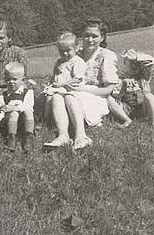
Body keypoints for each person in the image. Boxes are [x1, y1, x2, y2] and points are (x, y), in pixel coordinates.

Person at [44, 18, 119, 151]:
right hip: (70, 93)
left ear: (102, 38)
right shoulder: (74, 53)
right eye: (86, 36)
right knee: (56, 96)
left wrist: (82, 89)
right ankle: (63, 136)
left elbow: (108, 90)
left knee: (70, 96)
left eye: (94, 36)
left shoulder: (107, 56)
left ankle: (81, 136)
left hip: (96, 96)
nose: (89, 40)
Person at [108, 48, 154, 129]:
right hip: (127, 108)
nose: (133, 67)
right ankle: (127, 119)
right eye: (130, 64)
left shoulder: (143, 77)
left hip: (142, 107)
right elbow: (117, 94)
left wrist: (137, 57)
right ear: (124, 65)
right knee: (109, 99)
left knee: (149, 96)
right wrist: (122, 86)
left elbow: (151, 61)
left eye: (136, 64)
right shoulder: (120, 78)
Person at [0, 62, 35, 152]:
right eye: (8, 79)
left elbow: (28, 105)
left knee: (28, 111)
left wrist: (13, 107)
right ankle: (11, 137)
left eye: (15, 79)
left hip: (24, 120)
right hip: (9, 121)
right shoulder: (3, 96)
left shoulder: (28, 92)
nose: (11, 82)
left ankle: (29, 136)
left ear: (23, 80)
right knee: (14, 114)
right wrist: (0, 112)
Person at [42, 31, 86, 96]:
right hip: (60, 88)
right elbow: (55, 75)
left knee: (57, 97)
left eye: (68, 50)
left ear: (76, 48)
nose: (65, 53)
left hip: (72, 89)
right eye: (61, 51)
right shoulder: (59, 62)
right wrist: (50, 83)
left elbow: (78, 79)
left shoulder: (77, 61)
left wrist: (62, 84)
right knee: (49, 97)